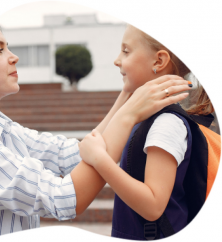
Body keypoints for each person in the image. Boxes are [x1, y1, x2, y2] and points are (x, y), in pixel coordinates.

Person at [0, 22, 191, 238]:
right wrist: (128, 115)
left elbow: (71, 156)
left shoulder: (2, 128)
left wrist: (126, 97)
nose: (13, 56)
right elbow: (64, 198)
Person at [79, 24, 215, 240]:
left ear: (159, 61)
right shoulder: (150, 118)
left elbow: (153, 205)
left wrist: (100, 160)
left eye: (126, 51)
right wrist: (126, 93)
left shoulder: (166, 123)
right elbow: (98, 139)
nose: (117, 60)